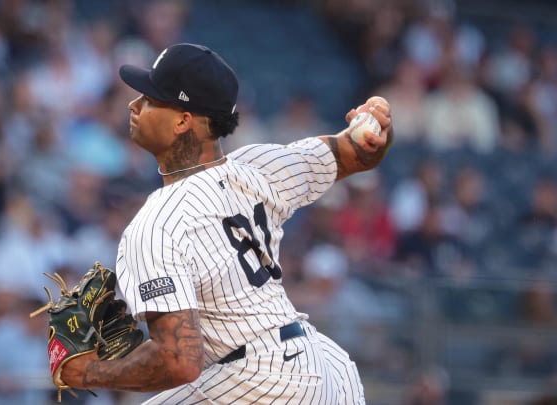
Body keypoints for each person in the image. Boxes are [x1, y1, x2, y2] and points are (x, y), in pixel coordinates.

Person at [52, 43, 392, 404]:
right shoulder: (260, 168)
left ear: (183, 121)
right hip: (324, 366)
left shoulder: (157, 223)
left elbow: (179, 362)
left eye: (151, 99)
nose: (134, 106)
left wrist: (85, 371)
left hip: (261, 381)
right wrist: (378, 129)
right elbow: (359, 152)